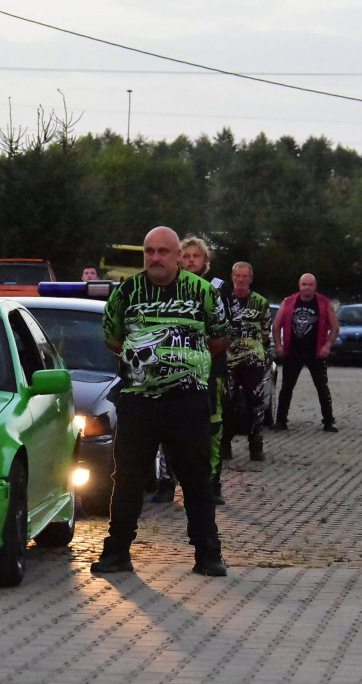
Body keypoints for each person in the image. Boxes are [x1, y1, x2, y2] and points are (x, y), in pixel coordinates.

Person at [91, 226, 229, 577]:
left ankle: (208, 554)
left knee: (197, 479)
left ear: (179, 256)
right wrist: (147, 365)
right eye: (149, 251)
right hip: (138, 401)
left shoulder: (202, 292)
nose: (156, 258)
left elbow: (219, 337)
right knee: (128, 478)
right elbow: (113, 337)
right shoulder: (127, 292)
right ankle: (117, 552)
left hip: (188, 401)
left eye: (163, 251)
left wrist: (181, 365)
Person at [152, 236, 229, 505]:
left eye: (197, 256)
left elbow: (222, 331)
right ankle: (166, 483)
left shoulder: (218, 288)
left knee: (212, 428)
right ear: (178, 258)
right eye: (186, 256)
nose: (191, 260)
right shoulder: (164, 287)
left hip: (210, 369)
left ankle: (211, 484)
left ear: (206, 261)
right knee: (167, 428)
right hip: (171, 368)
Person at [272, 273, 340, 432]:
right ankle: (281, 420)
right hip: (293, 351)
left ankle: (328, 421)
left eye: (310, 284)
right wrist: (278, 345)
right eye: (304, 284)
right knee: (286, 387)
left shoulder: (324, 303)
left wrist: (327, 346)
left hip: (315, 352)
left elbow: (335, 328)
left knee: (322, 387)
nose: (307, 288)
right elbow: (276, 326)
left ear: (315, 286)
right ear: (299, 286)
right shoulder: (289, 302)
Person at [221, 262, 271, 461]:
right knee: (226, 404)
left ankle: (255, 446)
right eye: (237, 276)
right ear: (232, 277)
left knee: (256, 404)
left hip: (253, 362)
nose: (240, 280)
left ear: (250, 278)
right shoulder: (224, 300)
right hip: (229, 362)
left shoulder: (260, 302)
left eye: (244, 276)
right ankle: (224, 446)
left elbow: (266, 333)